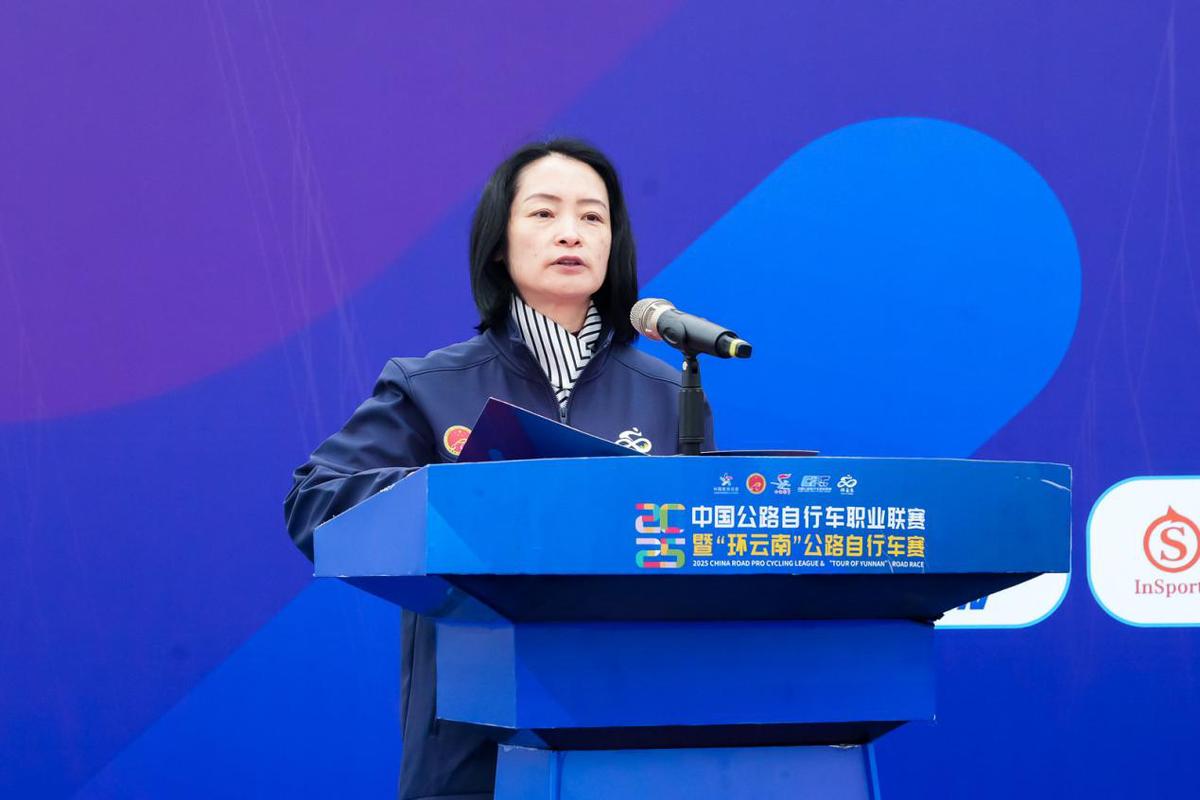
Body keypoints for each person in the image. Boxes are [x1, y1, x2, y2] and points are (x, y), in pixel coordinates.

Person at [285, 138, 713, 800]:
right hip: (470, 746)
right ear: (497, 244)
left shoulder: (668, 393)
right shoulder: (430, 386)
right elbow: (316, 502)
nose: (571, 232)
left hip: (632, 738)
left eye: (592, 216)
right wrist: (470, 496)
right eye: (543, 213)